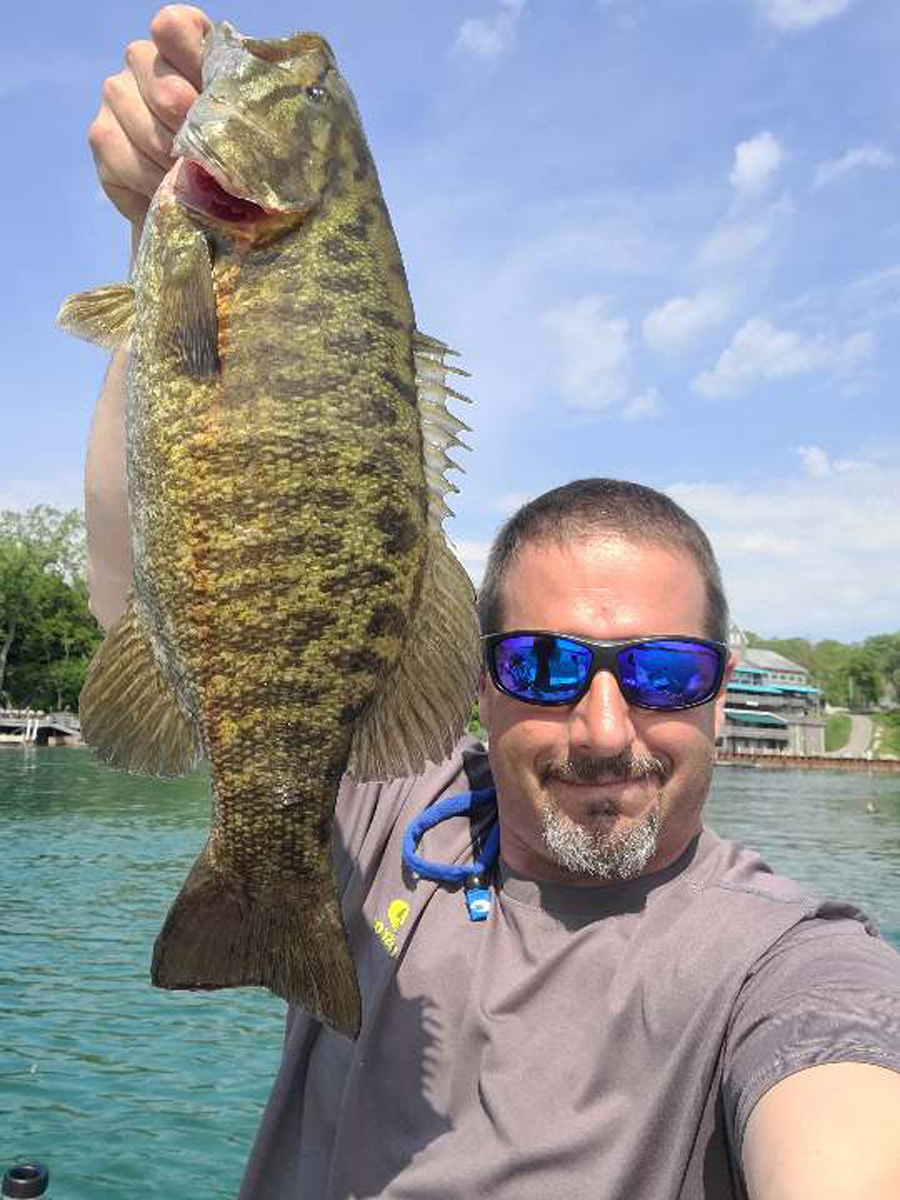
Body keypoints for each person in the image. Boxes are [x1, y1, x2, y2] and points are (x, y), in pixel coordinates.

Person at [84, 8, 900, 1198]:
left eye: (663, 672)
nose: (605, 726)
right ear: (475, 678)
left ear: (721, 694)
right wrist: (151, 257)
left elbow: (843, 1115)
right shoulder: (374, 825)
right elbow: (134, 584)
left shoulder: (788, 956)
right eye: (547, 667)